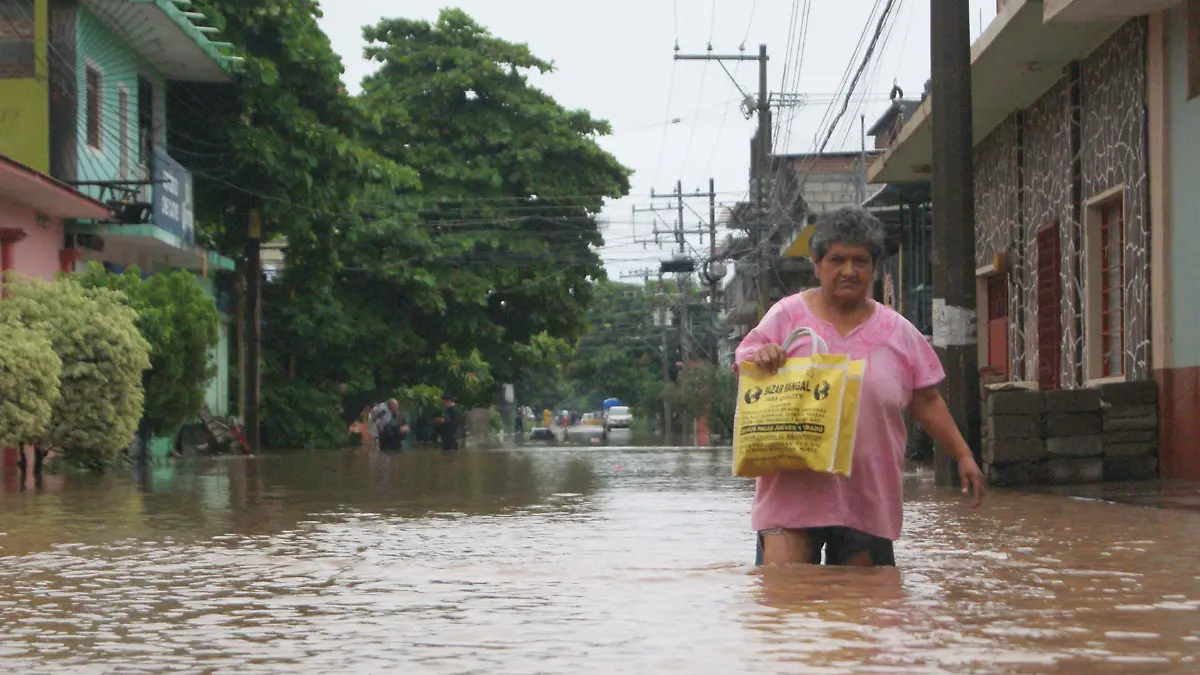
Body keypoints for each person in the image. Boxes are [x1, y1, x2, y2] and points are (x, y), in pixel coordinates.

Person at [736, 206, 985, 568]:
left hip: (868, 497)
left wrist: (964, 456)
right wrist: (764, 355)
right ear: (817, 263)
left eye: (860, 261)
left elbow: (926, 400)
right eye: (837, 259)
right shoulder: (786, 317)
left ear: (874, 268)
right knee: (786, 610)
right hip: (791, 495)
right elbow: (745, 367)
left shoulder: (898, 331)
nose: (849, 271)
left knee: (865, 618)